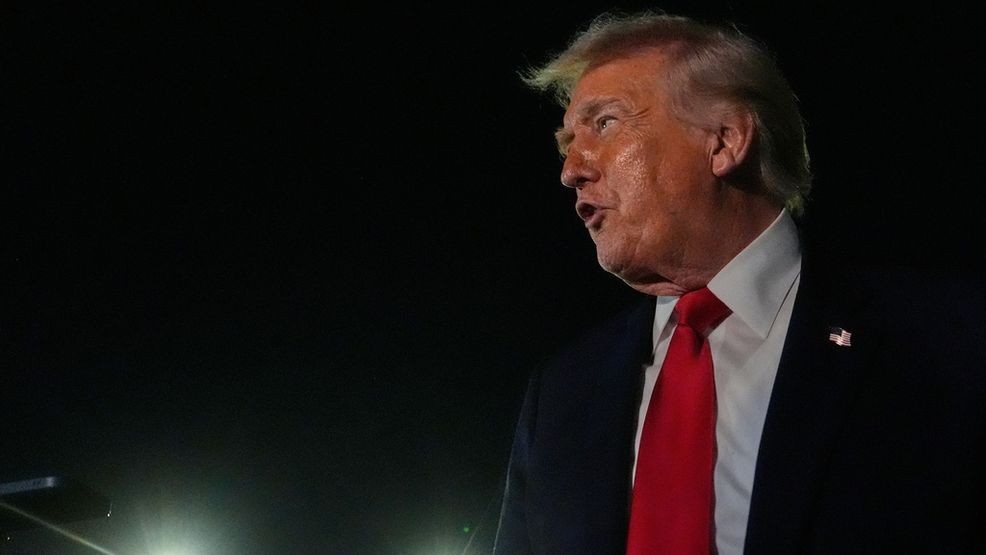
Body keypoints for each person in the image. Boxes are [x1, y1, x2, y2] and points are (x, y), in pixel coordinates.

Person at [494, 10, 986, 555]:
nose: (571, 169)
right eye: (568, 142)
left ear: (725, 141)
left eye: (604, 123)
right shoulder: (562, 394)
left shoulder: (948, 340)